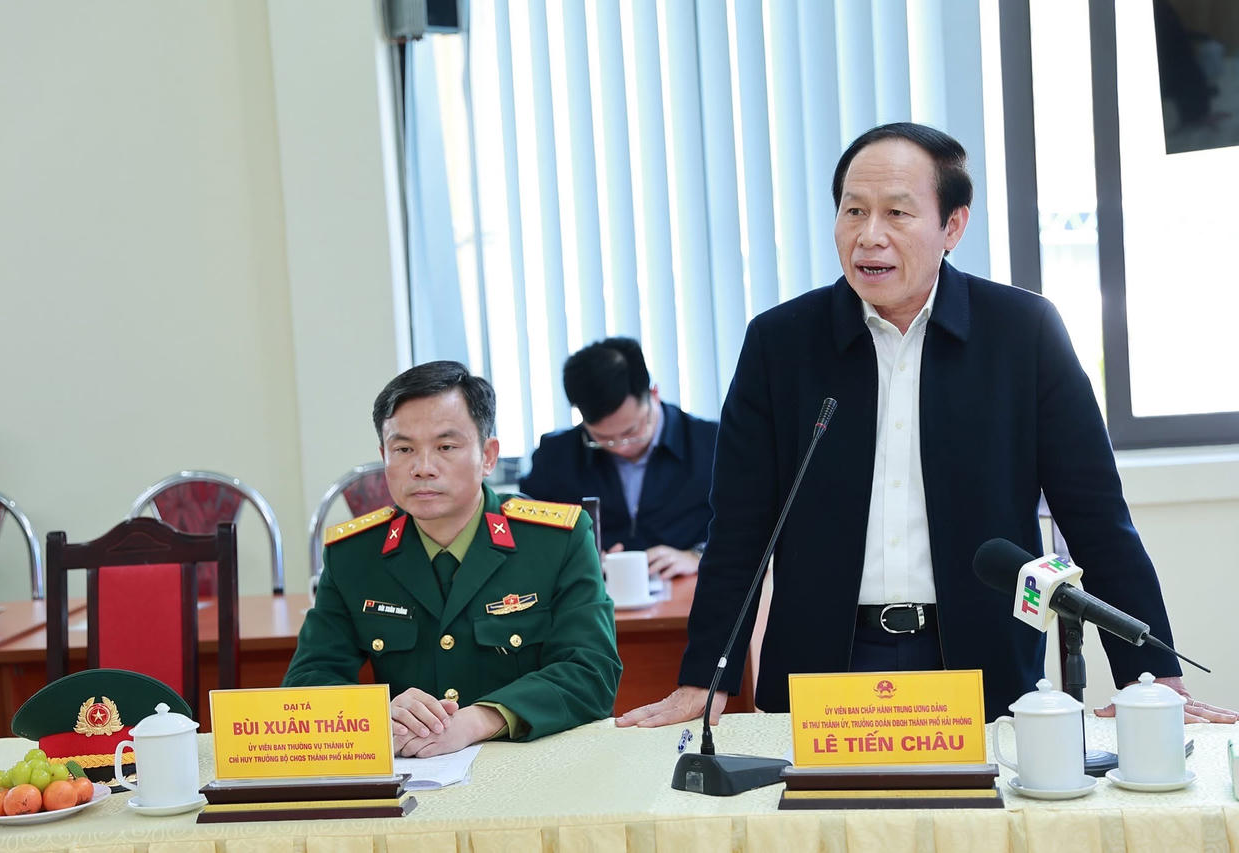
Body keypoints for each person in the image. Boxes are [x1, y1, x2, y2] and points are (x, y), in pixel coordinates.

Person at [617, 122, 1237, 726]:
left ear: (953, 226)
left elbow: (1095, 516)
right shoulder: (780, 344)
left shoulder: (1023, 333)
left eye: (897, 213)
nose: (870, 236)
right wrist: (706, 677)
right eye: (853, 212)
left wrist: (1150, 678)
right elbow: (740, 528)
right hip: (823, 664)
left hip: (979, 660)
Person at [285, 361, 622, 756]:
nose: (423, 468)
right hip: (411, 770)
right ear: (383, 455)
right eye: (403, 449)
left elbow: (592, 672)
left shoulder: (556, 541)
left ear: (488, 456)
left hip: (530, 762)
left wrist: (481, 719)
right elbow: (307, 682)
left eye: (445, 447)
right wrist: (375, 715)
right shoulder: (354, 554)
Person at [519, 337, 718, 579]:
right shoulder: (555, 456)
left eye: (631, 432)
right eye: (602, 438)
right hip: (594, 594)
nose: (621, 447)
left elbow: (748, 526)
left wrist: (699, 555)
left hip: (689, 589)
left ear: (653, 394)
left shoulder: (713, 443)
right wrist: (573, 556)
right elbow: (526, 532)